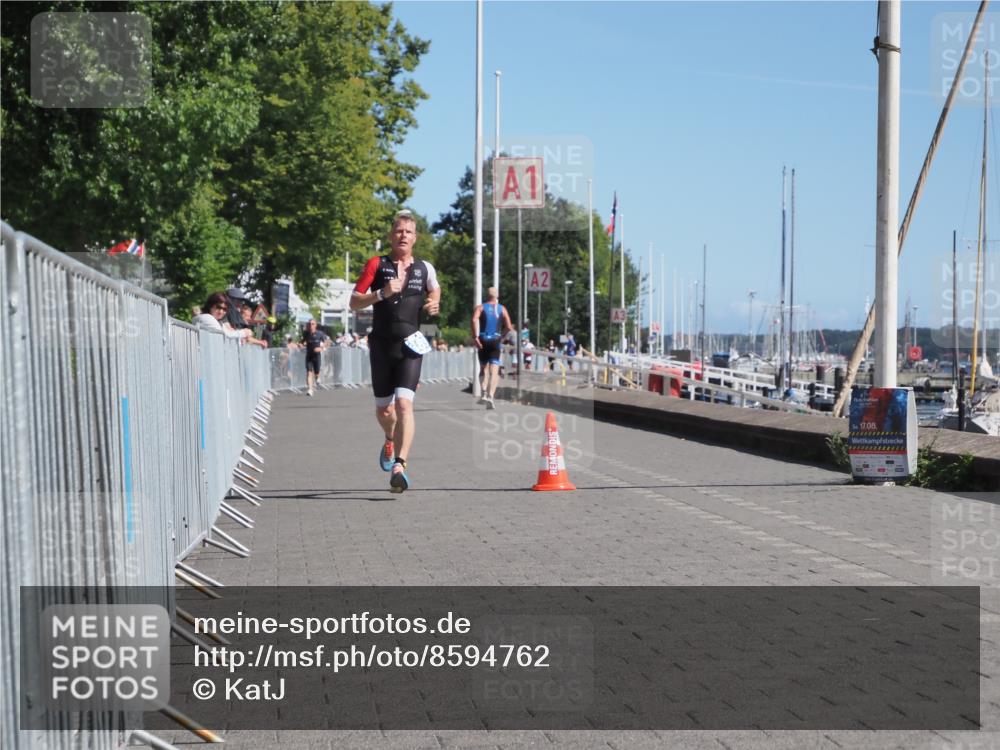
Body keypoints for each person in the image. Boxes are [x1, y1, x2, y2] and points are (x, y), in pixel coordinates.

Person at [350, 210, 440, 493]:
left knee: (404, 405)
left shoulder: (425, 268)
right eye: (399, 231)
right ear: (391, 236)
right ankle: (390, 438)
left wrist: (433, 303)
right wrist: (381, 293)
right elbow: (354, 301)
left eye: (408, 232)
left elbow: (435, 290)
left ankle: (400, 465)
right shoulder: (377, 264)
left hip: (410, 346)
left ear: (415, 238)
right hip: (381, 345)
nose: (403, 236)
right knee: (384, 409)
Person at [472, 287, 512, 409]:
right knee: (495, 369)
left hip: (483, 338)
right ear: (497, 296)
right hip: (495, 339)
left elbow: (474, 320)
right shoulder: (502, 309)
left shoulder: (481, 307)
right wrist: (502, 337)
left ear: (487, 295)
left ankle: (483, 392)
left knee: (483, 367)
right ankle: (491, 396)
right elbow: (509, 327)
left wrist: (475, 337)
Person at [299, 318, 330, 396]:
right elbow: (302, 342)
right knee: (309, 373)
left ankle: (317, 377)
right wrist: (300, 345)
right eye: (309, 324)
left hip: (317, 356)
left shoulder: (320, 333)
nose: (311, 326)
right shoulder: (306, 333)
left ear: (315, 325)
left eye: (312, 324)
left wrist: (321, 348)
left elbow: (327, 343)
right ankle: (310, 389)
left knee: (317, 373)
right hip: (309, 356)